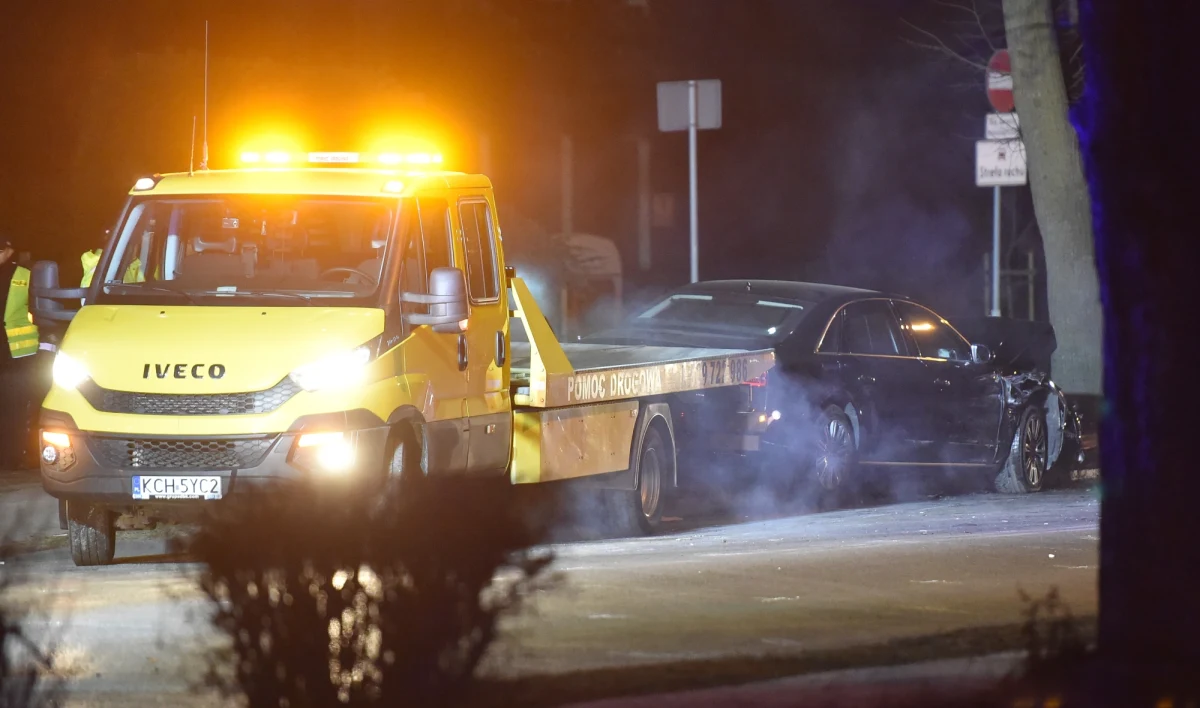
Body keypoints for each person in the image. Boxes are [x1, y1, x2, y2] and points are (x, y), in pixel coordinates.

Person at [1, 235, 39, 470]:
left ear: (9, 250)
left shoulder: (25, 275)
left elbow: (36, 309)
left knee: (14, 410)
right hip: (10, 356)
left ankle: (13, 458)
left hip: (15, 356)